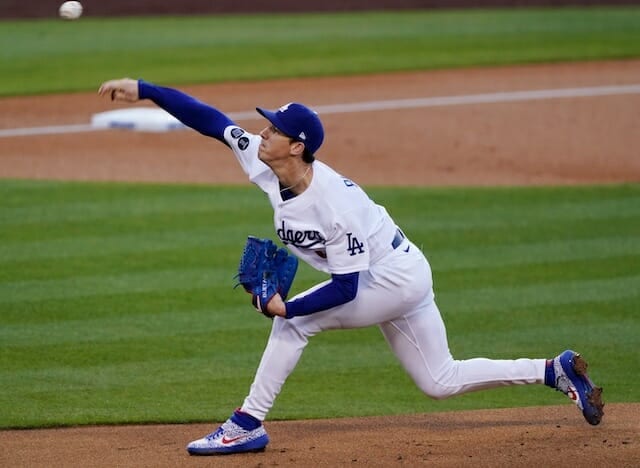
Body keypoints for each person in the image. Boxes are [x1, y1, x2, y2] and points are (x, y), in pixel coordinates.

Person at [98, 78, 605, 455]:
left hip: (392, 278)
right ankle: (552, 371)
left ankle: (246, 424)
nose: (261, 133)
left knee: (293, 325)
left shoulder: (334, 206)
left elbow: (345, 288)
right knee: (440, 380)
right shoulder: (264, 159)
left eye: (273, 129)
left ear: (297, 147)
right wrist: (146, 89)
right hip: (400, 269)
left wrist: (286, 308)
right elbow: (211, 120)